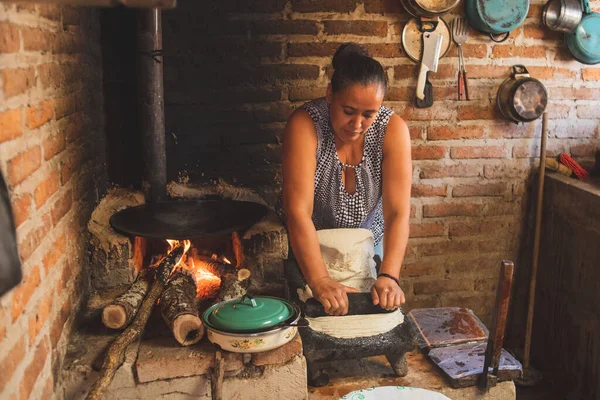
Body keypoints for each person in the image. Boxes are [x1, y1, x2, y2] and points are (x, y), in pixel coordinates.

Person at [282, 43, 412, 317]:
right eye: (348, 110)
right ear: (330, 94)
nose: (357, 124)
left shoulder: (393, 130)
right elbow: (297, 212)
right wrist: (319, 281)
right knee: (316, 320)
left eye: (368, 114)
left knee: (372, 320)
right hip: (312, 245)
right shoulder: (305, 125)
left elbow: (398, 213)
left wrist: (389, 275)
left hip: (367, 247)